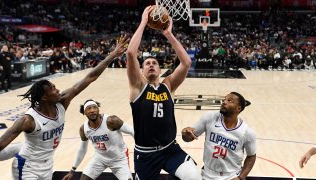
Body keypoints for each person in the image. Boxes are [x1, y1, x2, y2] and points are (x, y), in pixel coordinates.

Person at [0, 35, 129, 180]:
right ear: (44, 97)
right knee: (2, 154)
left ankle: (24, 146)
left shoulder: (62, 102)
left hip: (47, 165)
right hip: (27, 166)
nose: (58, 90)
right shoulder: (28, 120)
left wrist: (113, 55)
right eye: (53, 89)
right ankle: (22, 148)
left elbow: (91, 76)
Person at [126, 6, 201, 180]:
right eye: (147, 64)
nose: (151, 65)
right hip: (146, 154)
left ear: (160, 70)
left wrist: (169, 34)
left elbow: (186, 62)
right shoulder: (138, 87)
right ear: (142, 71)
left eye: (154, 63)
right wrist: (144, 22)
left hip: (170, 149)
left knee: (194, 177)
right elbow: (131, 53)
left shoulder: (168, 85)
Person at [182, 92, 256, 180]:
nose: (224, 102)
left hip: (231, 176)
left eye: (230, 101)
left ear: (238, 108)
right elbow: (188, 138)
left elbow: (251, 156)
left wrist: (241, 177)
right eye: (224, 99)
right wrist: (185, 133)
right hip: (207, 174)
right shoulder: (210, 117)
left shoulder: (247, 132)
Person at [62, 99, 134, 180]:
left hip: (119, 159)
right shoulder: (84, 129)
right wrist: (72, 170)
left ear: (98, 109)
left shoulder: (111, 121)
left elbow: (132, 131)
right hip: (100, 158)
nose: (92, 110)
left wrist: (142, 149)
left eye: (94, 107)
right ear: (84, 112)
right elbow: (82, 149)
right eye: (89, 108)